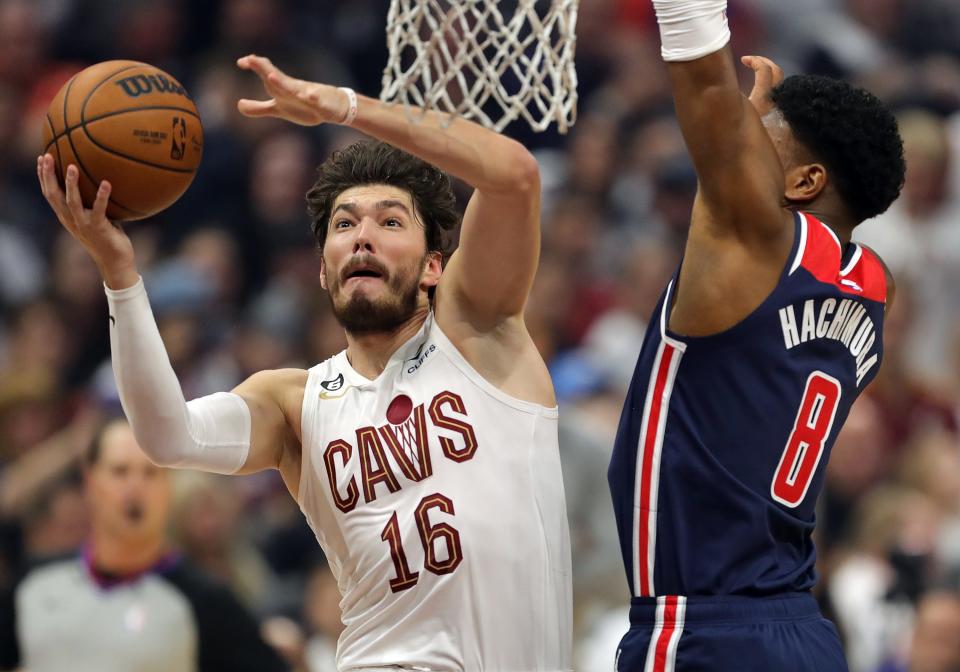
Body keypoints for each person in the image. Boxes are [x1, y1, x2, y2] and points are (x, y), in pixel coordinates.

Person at [36, 54, 571, 672]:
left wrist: (343, 107)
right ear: (323, 270)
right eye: (344, 224)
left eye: (390, 221)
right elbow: (165, 435)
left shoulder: (481, 332)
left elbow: (515, 175)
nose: (362, 236)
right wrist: (120, 276)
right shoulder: (295, 400)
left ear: (434, 268)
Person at [606, 1, 906, 670]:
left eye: (757, 141)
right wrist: (764, 123)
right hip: (803, 630)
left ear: (803, 181)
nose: (736, 153)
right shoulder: (874, 285)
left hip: (701, 627)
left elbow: (706, 92)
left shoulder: (758, 239)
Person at [0, 418, 288, 672]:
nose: (135, 487)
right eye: (120, 471)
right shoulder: (33, 583)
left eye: (150, 473)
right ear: (90, 482)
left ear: (168, 488)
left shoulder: (206, 601)